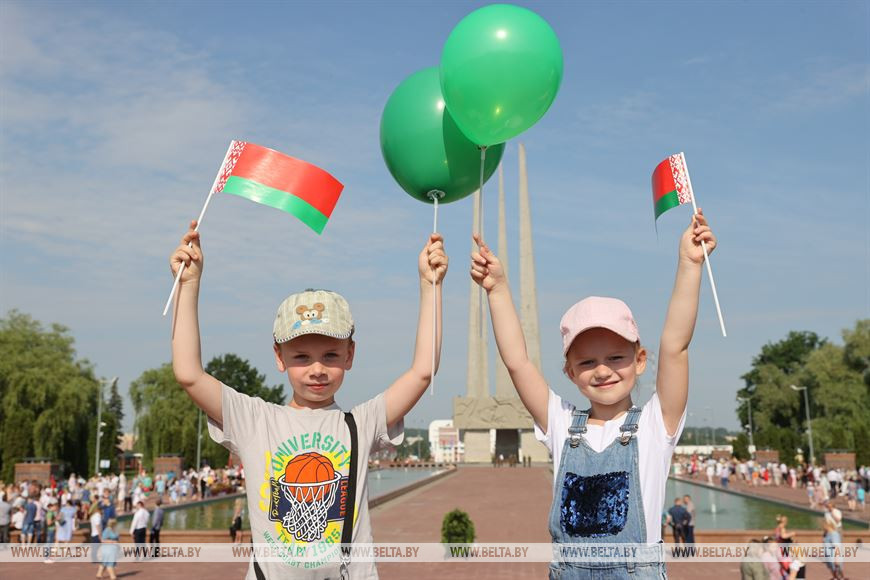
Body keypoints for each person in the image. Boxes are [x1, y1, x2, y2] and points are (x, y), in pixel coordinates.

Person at [168, 221, 447, 578]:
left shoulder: (361, 423)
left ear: (349, 355)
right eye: (301, 357)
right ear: (279, 357)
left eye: (331, 355)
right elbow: (189, 374)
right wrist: (188, 285)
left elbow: (422, 371)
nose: (317, 369)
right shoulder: (254, 419)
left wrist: (430, 285)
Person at [470, 208, 717, 578]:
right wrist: (498, 290)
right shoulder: (562, 423)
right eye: (587, 362)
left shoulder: (656, 423)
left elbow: (675, 346)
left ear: (640, 360)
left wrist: (689, 264)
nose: (602, 370)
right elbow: (518, 362)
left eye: (616, 357)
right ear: (570, 372)